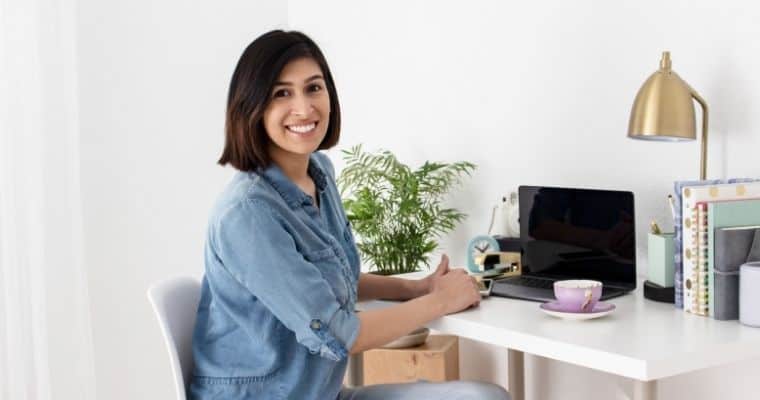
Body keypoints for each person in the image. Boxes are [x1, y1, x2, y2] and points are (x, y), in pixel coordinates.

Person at [189, 30, 510, 400]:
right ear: (252, 106)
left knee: (484, 398)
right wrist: (440, 302)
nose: (304, 108)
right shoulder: (247, 214)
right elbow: (338, 332)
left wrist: (416, 288)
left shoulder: (318, 173)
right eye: (282, 93)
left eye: (313, 88)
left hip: (320, 394)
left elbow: (333, 279)